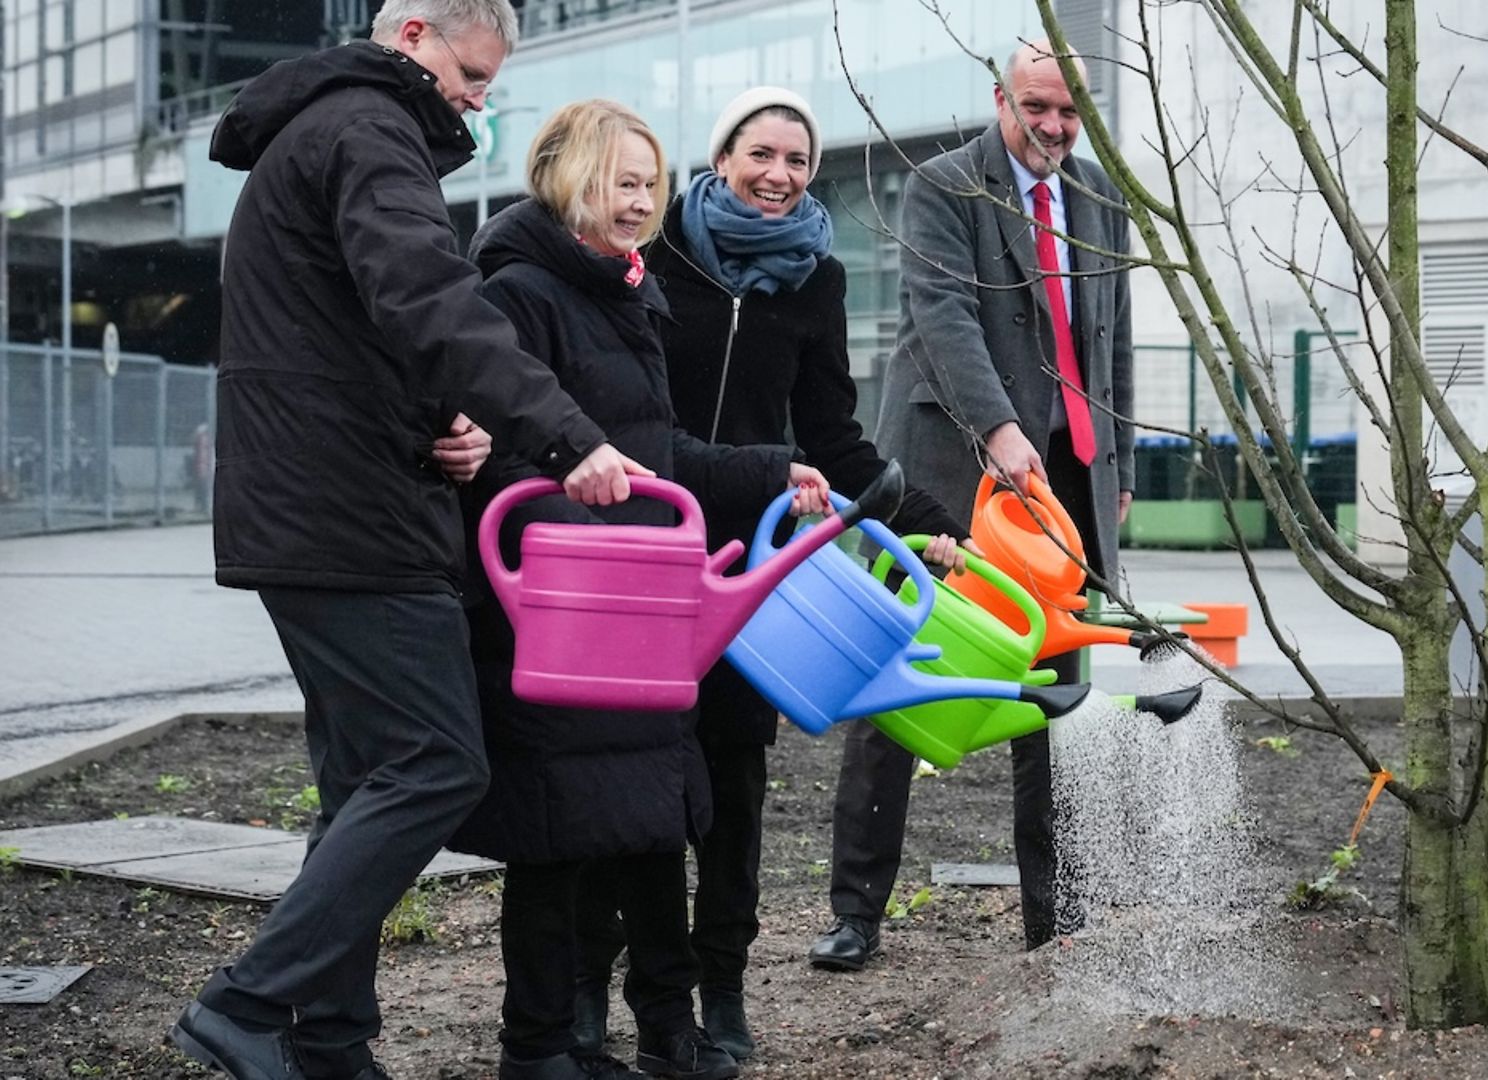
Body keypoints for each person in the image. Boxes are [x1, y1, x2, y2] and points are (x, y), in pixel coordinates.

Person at [168, 4, 649, 1080]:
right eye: (473, 72)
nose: (480, 96)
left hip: (322, 505)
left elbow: (360, 329)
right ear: (416, 33)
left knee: (359, 787)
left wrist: (445, 420)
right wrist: (564, 435)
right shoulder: (368, 129)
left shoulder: (332, 132)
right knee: (437, 763)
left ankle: (328, 1041)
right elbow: (430, 297)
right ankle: (247, 1003)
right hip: (347, 520)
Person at [560, 86, 969, 1065]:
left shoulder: (815, 280)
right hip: (644, 547)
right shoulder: (651, 249)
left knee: (737, 785)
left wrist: (925, 520)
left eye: (797, 159)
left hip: (756, 567)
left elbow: (829, 427)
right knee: (627, 780)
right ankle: (587, 983)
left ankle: (721, 985)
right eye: (761, 153)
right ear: (722, 155)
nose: (780, 175)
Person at [448, 98, 829, 1080]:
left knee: (649, 817)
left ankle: (666, 1027)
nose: (641, 201)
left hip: (630, 600)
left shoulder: (625, 295)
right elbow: (503, 456)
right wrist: (585, 531)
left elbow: (652, 455)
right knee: (558, 838)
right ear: (568, 178)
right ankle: (544, 1045)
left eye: (650, 184)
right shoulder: (520, 294)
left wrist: (772, 469)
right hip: (567, 612)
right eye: (623, 180)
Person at [809, 42, 1135, 971]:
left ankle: (1056, 916)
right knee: (898, 686)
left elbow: (1107, 342)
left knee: (1056, 693)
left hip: (1066, 479)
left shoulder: (1104, 200)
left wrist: (1114, 468)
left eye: (1071, 113)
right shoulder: (946, 186)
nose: (1055, 129)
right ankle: (856, 913)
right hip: (951, 473)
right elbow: (944, 316)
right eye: (1038, 108)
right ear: (1002, 99)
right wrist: (998, 430)